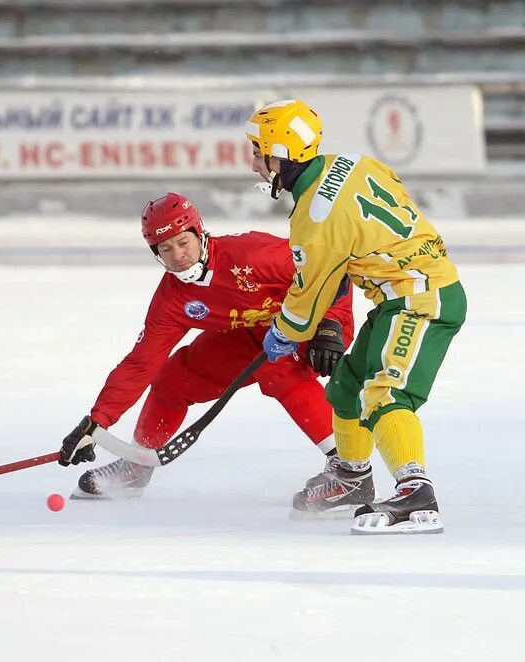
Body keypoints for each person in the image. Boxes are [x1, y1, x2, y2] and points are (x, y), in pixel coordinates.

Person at [244, 99, 466, 534]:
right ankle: (351, 477)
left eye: (258, 152)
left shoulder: (314, 216)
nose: (255, 165)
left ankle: (415, 488)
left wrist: (284, 331)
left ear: (281, 153)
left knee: (384, 393)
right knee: (347, 386)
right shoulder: (354, 162)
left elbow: (307, 299)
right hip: (402, 293)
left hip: (421, 297)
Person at [58, 192, 356, 513]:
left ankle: (349, 471)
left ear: (200, 232)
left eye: (183, 242)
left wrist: (330, 326)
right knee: (175, 376)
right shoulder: (172, 298)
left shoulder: (252, 255)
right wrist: (96, 423)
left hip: (313, 325)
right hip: (250, 333)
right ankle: (136, 465)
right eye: (165, 249)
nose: (178, 256)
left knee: (276, 368)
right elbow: (140, 364)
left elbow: (328, 272)